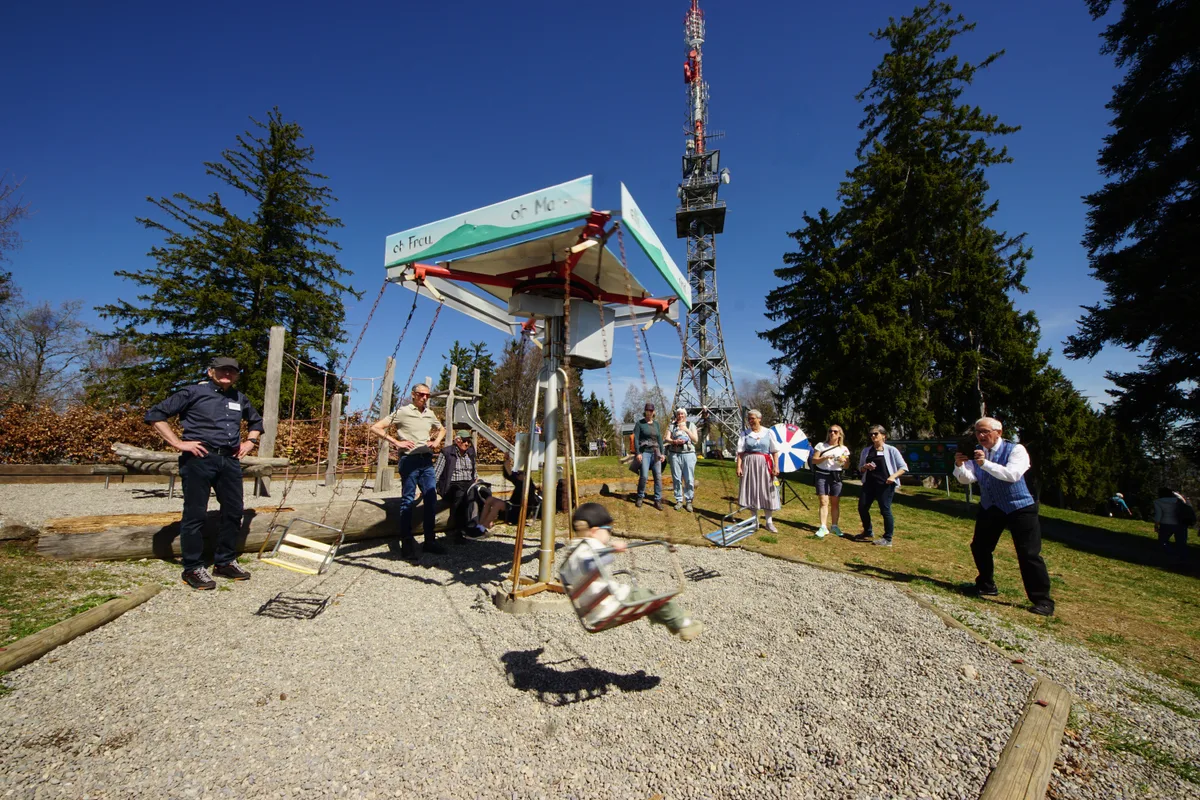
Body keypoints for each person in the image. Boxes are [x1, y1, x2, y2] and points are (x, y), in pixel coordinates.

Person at [144, 356, 263, 590]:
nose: (227, 374)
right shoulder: (192, 393)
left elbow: (257, 422)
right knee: (195, 513)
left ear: (237, 375)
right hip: (199, 458)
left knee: (233, 511)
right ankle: (193, 567)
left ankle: (225, 561)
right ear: (211, 372)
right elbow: (155, 415)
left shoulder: (239, 398)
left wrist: (250, 442)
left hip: (229, 460)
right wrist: (178, 443)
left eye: (232, 371)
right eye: (222, 370)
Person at [953, 416, 1055, 616]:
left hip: (1020, 507)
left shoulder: (1016, 450)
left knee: (1028, 554)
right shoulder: (978, 452)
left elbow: (1013, 475)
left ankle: (1043, 600)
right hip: (991, 506)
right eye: (978, 432)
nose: (981, 436)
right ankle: (986, 584)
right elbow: (968, 479)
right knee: (980, 546)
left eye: (985, 432)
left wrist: (985, 465)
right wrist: (959, 466)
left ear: (998, 432)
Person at [559, 503, 704, 641]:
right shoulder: (591, 547)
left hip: (594, 615)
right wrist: (611, 551)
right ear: (595, 531)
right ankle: (685, 625)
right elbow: (589, 563)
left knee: (651, 603)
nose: (610, 534)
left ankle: (674, 621)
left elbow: (569, 575)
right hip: (611, 605)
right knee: (652, 596)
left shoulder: (572, 552)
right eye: (608, 530)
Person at [370, 383, 446, 560]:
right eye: (421, 394)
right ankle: (407, 543)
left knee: (431, 498)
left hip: (426, 461)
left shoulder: (430, 413)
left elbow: (442, 429)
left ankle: (429, 541)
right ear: (413, 395)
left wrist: (436, 442)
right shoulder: (403, 411)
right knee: (407, 501)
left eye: (427, 395)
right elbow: (376, 427)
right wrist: (396, 442)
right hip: (409, 460)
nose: (424, 398)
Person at [434, 431, 499, 540]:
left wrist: (477, 480)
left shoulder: (470, 452)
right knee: (461, 494)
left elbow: (474, 471)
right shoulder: (446, 452)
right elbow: (436, 473)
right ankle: (461, 529)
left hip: (468, 483)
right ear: (457, 441)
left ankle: (483, 523)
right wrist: (429, 489)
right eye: (464, 441)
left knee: (483, 490)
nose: (467, 443)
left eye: (468, 441)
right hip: (451, 484)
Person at [854, 426, 908, 546]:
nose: (873, 436)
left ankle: (888, 538)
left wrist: (893, 477)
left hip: (885, 485)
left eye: (876, 434)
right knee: (862, 507)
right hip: (869, 484)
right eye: (871, 434)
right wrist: (865, 467)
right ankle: (868, 531)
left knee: (885, 510)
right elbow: (860, 468)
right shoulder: (866, 450)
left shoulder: (891, 450)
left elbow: (903, 467)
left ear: (884, 435)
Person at [736, 409, 781, 532]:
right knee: (752, 491)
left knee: (767, 491)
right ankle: (754, 521)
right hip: (750, 465)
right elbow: (740, 452)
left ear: (759, 419)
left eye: (752, 418)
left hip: (765, 465)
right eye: (749, 419)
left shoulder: (769, 432)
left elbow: (775, 451)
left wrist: (776, 466)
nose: (750, 421)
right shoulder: (745, 434)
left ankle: (769, 522)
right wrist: (739, 466)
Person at [810, 424, 850, 538]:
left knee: (835, 502)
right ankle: (823, 526)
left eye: (835, 432)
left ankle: (834, 526)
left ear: (840, 434)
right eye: (830, 431)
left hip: (836, 476)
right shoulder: (821, 445)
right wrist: (824, 458)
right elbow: (813, 460)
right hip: (822, 475)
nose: (832, 433)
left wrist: (844, 461)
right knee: (823, 501)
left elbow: (846, 466)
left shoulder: (843, 449)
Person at [633, 402, 666, 510]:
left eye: (651, 410)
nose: (649, 412)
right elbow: (636, 439)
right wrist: (638, 453)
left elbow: (660, 439)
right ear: (645, 411)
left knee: (658, 476)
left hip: (656, 452)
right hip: (645, 452)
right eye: (647, 410)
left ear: (653, 412)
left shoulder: (656, 424)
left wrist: (662, 453)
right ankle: (640, 496)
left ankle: (657, 499)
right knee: (644, 476)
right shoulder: (640, 423)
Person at [667, 408, 699, 512]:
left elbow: (696, 440)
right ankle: (679, 500)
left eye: (682, 414)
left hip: (688, 455)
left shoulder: (691, 425)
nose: (680, 416)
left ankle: (689, 501)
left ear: (685, 415)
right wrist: (674, 441)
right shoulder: (672, 426)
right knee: (677, 478)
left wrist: (686, 430)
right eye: (678, 414)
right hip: (675, 455)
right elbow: (667, 438)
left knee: (689, 479)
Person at [1153, 487, 1191, 560]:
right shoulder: (1179, 500)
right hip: (1180, 523)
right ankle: (1182, 557)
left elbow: (1158, 515)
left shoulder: (1158, 501)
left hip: (1166, 523)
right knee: (1181, 542)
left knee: (1163, 540)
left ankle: (1169, 552)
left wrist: (1156, 525)